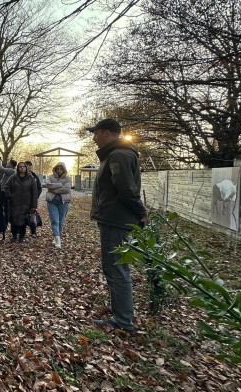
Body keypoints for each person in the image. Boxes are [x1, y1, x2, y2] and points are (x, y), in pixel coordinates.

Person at [88, 118, 147, 335]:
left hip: (116, 220)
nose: (94, 137)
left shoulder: (119, 155)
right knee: (113, 267)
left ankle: (123, 321)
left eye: (96, 133)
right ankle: (118, 310)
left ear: (106, 132)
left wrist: (140, 211)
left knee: (116, 269)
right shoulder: (115, 154)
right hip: (113, 218)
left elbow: (126, 189)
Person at [4, 162, 38, 243]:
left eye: (23, 166)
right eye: (20, 167)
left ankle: (22, 236)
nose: (22, 168)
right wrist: (10, 196)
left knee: (24, 220)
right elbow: (6, 187)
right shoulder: (13, 178)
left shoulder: (31, 178)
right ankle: (14, 235)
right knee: (14, 220)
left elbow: (34, 192)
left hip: (26, 203)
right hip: (14, 203)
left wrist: (34, 205)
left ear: (26, 168)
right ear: (17, 168)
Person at [45, 162, 72, 248]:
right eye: (57, 169)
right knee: (54, 220)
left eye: (61, 169)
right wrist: (60, 185)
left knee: (61, 221)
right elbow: (48, 185)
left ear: (64, 170)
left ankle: (57, 236)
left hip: (63, 201)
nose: (59, 171)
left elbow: (67, 189)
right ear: (55, 169)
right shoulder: (51, 177)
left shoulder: (68, 178)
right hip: (52, 201)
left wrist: (54, 190)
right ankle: (57, 239)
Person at [0, 158, 17, 229]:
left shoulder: (12, 171)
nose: (7, 164)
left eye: (8, 163)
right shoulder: (9, 172)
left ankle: (5, 224)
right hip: (2, 191)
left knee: (5, 208)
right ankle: (3, 223)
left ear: (11, 165)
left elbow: (1, 168)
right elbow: (1, 170)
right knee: (0, 207)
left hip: (5, 192)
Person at [25, 161, 43, 237]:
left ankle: (33, 232)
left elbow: (39, 188)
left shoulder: (35, 176)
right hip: (21, 199)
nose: (28, 167)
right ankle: (21, 231)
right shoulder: (19, 176)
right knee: (21, 215)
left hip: (32, 200)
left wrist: (36, 196)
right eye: (27, 165)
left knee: (32, 215)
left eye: (30, 165)